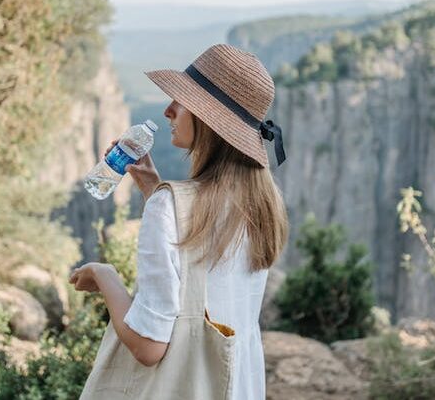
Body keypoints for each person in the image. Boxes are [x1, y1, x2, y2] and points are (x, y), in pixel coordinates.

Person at [70, 43, 289, 399]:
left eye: (182, 101)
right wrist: (153, 189)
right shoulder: (262, 205)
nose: (168, 109)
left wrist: (104, 276)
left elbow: (148, 346)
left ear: (208, 119)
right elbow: (206, 267)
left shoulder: (169, 208)